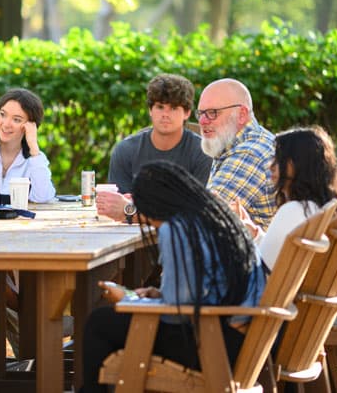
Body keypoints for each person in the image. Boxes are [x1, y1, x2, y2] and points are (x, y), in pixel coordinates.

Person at [81, 161, 266, 392]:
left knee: (100, 323)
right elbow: (198, 288)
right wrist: (158, 293)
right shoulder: (217, 216)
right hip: (237, 339)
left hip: (212, 344)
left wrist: (129, 299)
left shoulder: (177, 228)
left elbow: (176, 314)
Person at [97, 74, 212, 221]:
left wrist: (131, 210)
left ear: (187, 113)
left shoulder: (202, 152)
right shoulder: (125, 151)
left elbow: (195, 214)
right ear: (150, 110)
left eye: (174, 108)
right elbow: (115, 210)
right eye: (160, 107)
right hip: (128, 235)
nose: (165, 114)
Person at [234, 126, 337, 271]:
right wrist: (255, 234)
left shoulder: (293, 211)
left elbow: (263, 266)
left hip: (264, 291)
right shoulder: (315, 208)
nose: (271, 166)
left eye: (279, 159)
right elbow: (277, 254)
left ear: (298, 164)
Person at [196, 78, 276, 228]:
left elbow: (202, 218)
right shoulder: (235, 143)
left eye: (212, 113)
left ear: (241, 115)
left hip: (256, 251)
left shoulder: (250, 154)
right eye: (200, 113)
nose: (202, 121)